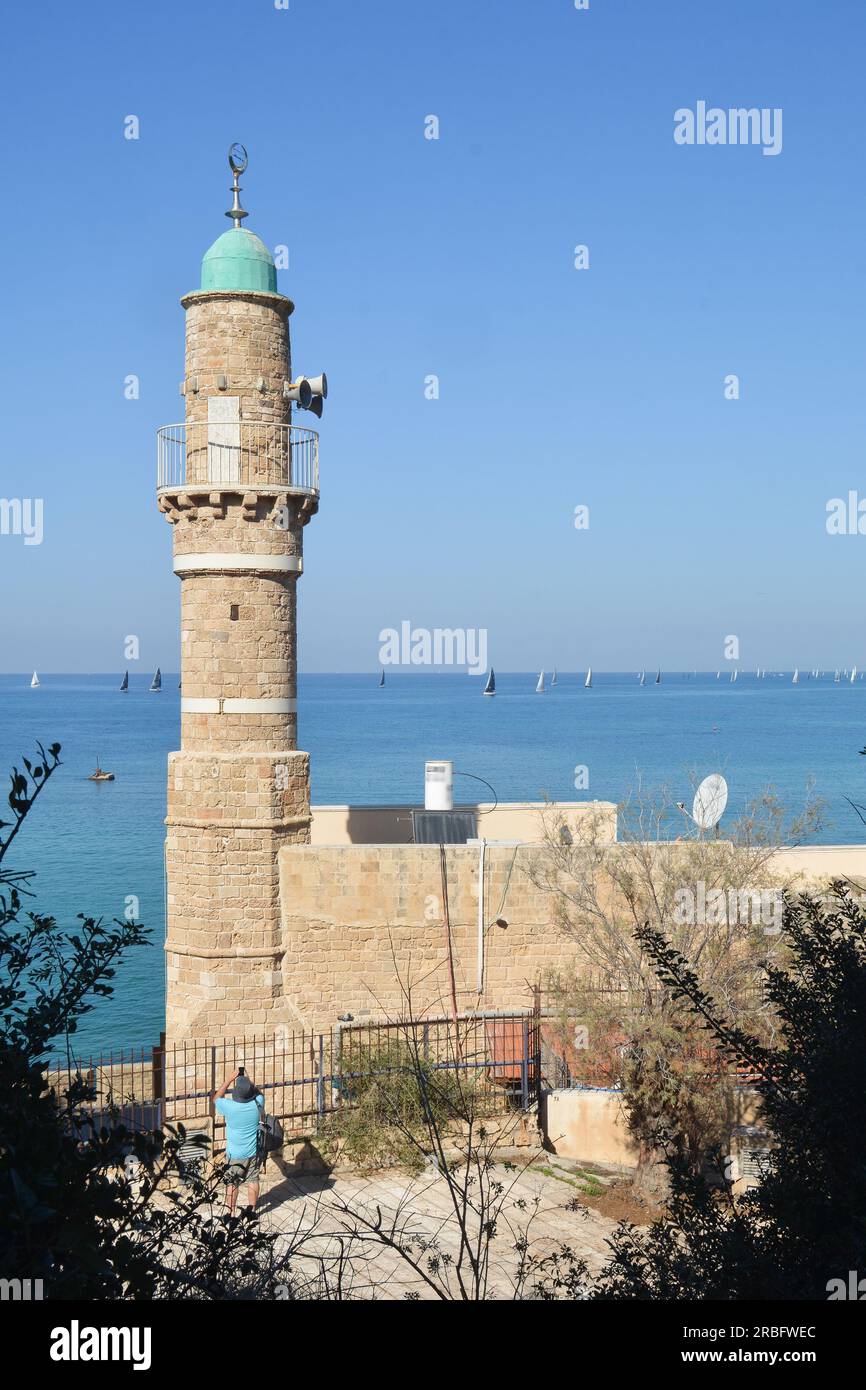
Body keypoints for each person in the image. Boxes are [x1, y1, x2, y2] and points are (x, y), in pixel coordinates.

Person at [213, 1069, 264, 1214]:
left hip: (235, 1154)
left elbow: (216, 1098)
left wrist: (229, 1079)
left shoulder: (229, 1107)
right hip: (253, 1151)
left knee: (232, 1183)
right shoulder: (258, 1103)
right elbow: (258, 1093)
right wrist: (249, 1081)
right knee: (253, 1180)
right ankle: (251, 1212)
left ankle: (230, 1212)